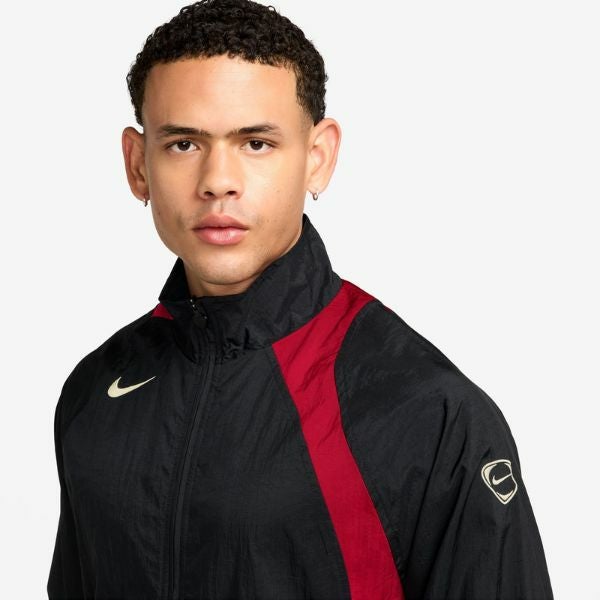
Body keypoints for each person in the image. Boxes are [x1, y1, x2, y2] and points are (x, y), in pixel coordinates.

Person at [47, 1, 554, 598]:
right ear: (138, 165)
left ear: (318, 158)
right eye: (183, 144)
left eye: (256, 143)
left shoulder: (427, 411)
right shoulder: (95, 390)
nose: (218, 181)